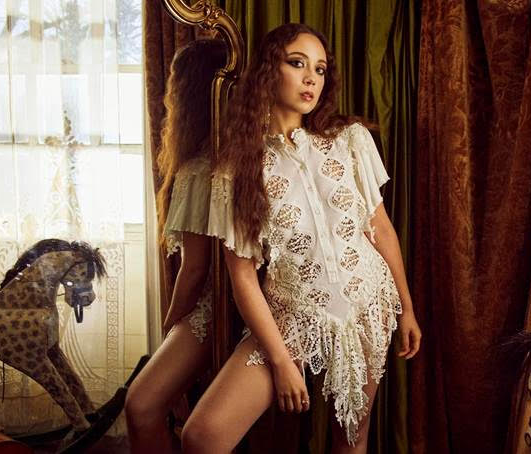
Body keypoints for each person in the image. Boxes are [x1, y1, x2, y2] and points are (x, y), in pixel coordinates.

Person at [181, 23, 422, 454]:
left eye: (320, 69)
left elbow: (381, 229)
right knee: (202, 436)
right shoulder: (236, 167)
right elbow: (243, 277)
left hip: (368, 303)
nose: (311, 78)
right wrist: (280, 362)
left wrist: (406, 308)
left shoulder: (350, 141)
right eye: (297, 63)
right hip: (290, 317)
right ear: (268, 70)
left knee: (351, 442)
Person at [124, 38, 227, 454]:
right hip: (233, 304)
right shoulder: (222, 157)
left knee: (140, 404)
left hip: (213, 308)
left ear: (184, 94)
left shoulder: (198, 169)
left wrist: (170, 325)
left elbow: (195, 269)